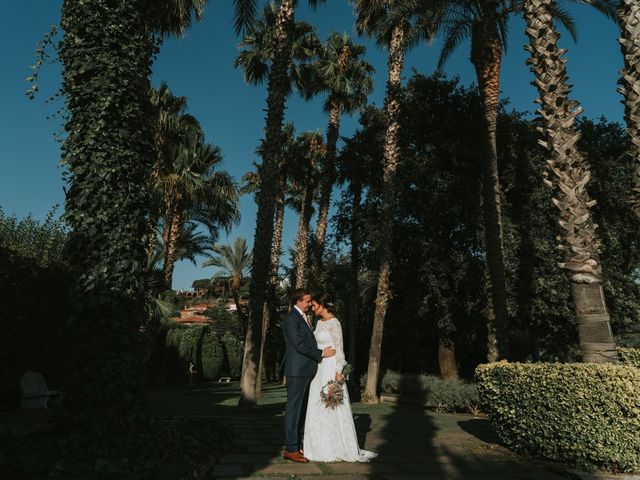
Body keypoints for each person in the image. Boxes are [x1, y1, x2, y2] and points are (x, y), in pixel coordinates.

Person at [302, 293, 378, 462]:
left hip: (330, 368)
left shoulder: (335, 323)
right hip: (319, 369)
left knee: (331, 405)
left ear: (323, 305)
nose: (312, 308)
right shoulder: (319, 323)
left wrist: (338, 375)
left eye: (314, 305)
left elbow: (340, 350)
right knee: (317, 405)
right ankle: (317, 446)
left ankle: (336, 446)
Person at [282, 288, 336, 463]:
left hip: (305, 371)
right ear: (298, 301)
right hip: (297, 371)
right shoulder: (292, 319)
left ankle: (296, 446)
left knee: (301, 410)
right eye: (307, 301)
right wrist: (321, 354)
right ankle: (291, 449)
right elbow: (299, 344)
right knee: (293, 410)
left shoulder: (301, 318)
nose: (309, 304)